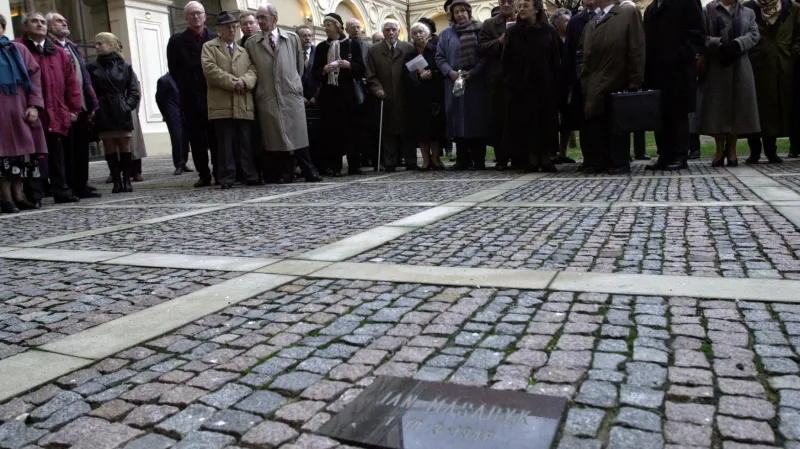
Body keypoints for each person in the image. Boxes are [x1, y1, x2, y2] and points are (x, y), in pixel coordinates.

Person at [246, 3, 321, 183]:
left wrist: (293, 83)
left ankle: (309, 170)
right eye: (258, 18)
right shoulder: (252, 43)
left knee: (298, 134)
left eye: (263, 17)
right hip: (268, 94)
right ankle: (286, 172)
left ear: (275, 18)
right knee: (275, 135)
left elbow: (298, 67)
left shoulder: (292, 38)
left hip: (290, 93)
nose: (259, 21)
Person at [16, 12, 81, 204]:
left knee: (57, 154)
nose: (40, 25)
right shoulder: (18, 48)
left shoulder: (58, 52)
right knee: (33, 156)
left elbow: (71, 83)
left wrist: (74, 108)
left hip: (56, 111)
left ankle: (61, 190)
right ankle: (35, 194)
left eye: (43, 22)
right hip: (30, 111)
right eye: (34, 22)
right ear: (25, 27)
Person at [577, 0, 646, 174]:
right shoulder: (593, 21)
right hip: (593, 83)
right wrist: (583, 75)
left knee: (616, 123)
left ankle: (619, 161)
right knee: (597, 121)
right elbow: (580, 53)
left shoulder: (628, 12)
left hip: (617, 80)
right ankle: (601, 161)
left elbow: (636, 47)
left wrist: (635, 80)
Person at [691, 0, 761, 167]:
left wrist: (737, 44)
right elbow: (699, 35)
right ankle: (719, 149)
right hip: (716, 67)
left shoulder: (747, 12)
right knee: (716, 110)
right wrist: (718, 45)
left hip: (740, 66)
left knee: (737, 109)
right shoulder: (707, 11)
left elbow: (754, 34)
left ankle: (732, 150)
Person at [643, 0, 705, 171]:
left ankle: (679, 155)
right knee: (659, 114)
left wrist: (681, 55)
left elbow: (698, 34)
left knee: (677, 113)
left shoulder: (687, 3)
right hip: (655, 71)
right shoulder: (651, 9)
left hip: (678, 71)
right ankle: (664, 155)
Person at [202, 11, 258, 190]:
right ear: (219, 29)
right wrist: (234, 83)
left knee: (245, 142)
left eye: (234, 27)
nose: (232, 30)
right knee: (225, 143)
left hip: (243, 102)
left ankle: (249, 175)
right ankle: (227, 177)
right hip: (221, 103)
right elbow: (211, 70)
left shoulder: (243, 50)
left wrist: (245, 81)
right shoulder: (209, 47)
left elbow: (253, 70)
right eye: (228, 27)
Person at [503, 0, 562, 172]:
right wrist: (511, 80)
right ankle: (530, 159)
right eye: (520, 6)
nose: (521, 9)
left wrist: (557, 83)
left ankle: (545, 158)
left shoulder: (549, 30)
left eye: (526, 6)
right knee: (526, 123)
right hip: (522, 87)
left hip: (545, 86)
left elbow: (555, 58)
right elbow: (506, 59)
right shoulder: (513, 32)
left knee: (545, 122)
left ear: (536, 9)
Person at [47, 12, 100, 199]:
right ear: (49, 26)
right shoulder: (49, 47)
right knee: (66, 150)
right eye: (59, 21)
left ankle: (81, 184)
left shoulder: (72, 46)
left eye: (64, 20)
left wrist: (91, 102)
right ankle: (67, 185)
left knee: (80, 147)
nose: (64, 23)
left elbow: (84, 77)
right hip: (63, 107)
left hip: (81, 104)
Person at [167, 1, 218, 187]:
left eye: (199, 13)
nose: (196, 17)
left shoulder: (214, 38)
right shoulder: (176, 42)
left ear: (205, 16)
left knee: (216, 137)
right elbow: (173, 70)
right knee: (196, 139)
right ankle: (203, 173)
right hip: (190, 98)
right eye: (192, 14)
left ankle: (219, 171)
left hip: (213, 97)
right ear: (186, 17)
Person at [744, 0, 800, 164]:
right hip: (755, 65)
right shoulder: (748, 8)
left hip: (783, 66)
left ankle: (771, 150)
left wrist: (793, 53)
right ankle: (754, 150)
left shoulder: (793, 8)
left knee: (775, 108)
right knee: (755, 108)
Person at [0, 13, 46, 213]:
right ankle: (6, 199)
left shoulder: (18, 50)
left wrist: (34, 105)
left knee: (20, 157)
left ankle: (19, 196)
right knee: (2, 158)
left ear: (3, 28)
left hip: (20, 110)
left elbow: (35, 79)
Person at [436, 0, 489, 170]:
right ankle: (462, 160)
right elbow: (440, 57)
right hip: (453, 83)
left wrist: (473, 73)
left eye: (462, 11)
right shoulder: (446, 34)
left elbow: (484, 56)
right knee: (457, 121)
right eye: (456, 12)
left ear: (468, 12)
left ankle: (478, 160)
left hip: (475, 83)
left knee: (475, 120)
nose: (459, 15)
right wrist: (449, 72)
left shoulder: (480, 30)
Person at [311, 13, 365, 176]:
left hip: (348, 94)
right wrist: (323, 70)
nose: (325, 28)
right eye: (325, 25)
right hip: (330, 95)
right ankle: (335, 166)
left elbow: (361, 68)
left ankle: (354, 165)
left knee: (352, 130)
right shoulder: (321, 47)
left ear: (337, 26)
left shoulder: (351, 45)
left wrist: (350, 65)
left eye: (328, 24)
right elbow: (315, 73)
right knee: (332, 131)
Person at [87, 32, 140, 194]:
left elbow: (133, 90)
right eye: (96, 44)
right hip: (103, 110)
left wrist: (127, 106)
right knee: (109, 147)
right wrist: (94, 109)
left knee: (125, 146)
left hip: (120, 109)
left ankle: (126, 180)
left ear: (110, 45)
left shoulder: (125, 66)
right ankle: (116, 181)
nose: (96, 47)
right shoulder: (92, 67)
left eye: (100, 43)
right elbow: (89, 90)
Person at [366, 19, 419, 172]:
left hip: (405, 96)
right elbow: (370, 74)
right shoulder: (373, 50)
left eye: (393, 29)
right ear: (383, 33)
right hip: (385, 95)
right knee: (387, 130)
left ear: (398, 31)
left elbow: (417, 68)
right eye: (387, 30)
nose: (391, 32)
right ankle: (390, 162)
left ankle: (410, 160)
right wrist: (377, 89)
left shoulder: (408, 47)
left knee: (407, 129)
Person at [479, 0, 516, 171]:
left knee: (519, 118)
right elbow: (480, 48)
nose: (506, 4)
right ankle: (501, 158)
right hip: (497, 80)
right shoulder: (489, 24)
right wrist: (499, 42)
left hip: (520, 79)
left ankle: (520, 156)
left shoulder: (525, 20)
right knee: (499, 120)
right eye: (502, 1)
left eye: (510, 1)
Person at [405, 22, 446, 170]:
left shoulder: (435, 50)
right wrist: (419, 77)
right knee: (421, 130)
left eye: (420, 32)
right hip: (417, 97)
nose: (418, 35)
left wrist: (432, 74)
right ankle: (425, 160)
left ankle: (435, 159)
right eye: (414, 33)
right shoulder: (410, 54)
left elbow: (442, 68)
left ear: (427, 33)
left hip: (434, 94)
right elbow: (406, 75)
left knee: (435, 129)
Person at [563, 0, 596, 170]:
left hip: (603, 76)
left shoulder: (609, 16)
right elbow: (569, 52)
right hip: (580, 79)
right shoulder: (575, 21)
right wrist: (570, 80)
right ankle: (589, 158)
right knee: (584, 122)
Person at [346, 19, 372, 169]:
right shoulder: (345, 45)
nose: (356, 30)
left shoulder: (368, 47)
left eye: (358, 27)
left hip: (367, 86)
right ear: (347, 29)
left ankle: (367, 156)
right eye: (352, 27)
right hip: (352, 88)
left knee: (366, 125)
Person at [551, 8, 575, 165]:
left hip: (568, 83)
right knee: (553, 119)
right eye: (565, 21)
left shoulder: (572, 37)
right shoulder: (551, 37)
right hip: (553, 83)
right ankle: (552, 153)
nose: (568, 23)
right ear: (557, 22)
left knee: (567, 120)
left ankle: (563, 152)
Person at [156, 72, 191, 175]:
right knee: (176, 138)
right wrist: (165, 114)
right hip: (172, 114)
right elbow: (159, 99)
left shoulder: (184, 78)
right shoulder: (163, 80)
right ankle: (178, 164)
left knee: (185, 138)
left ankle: (183, 162)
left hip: (185, 112)